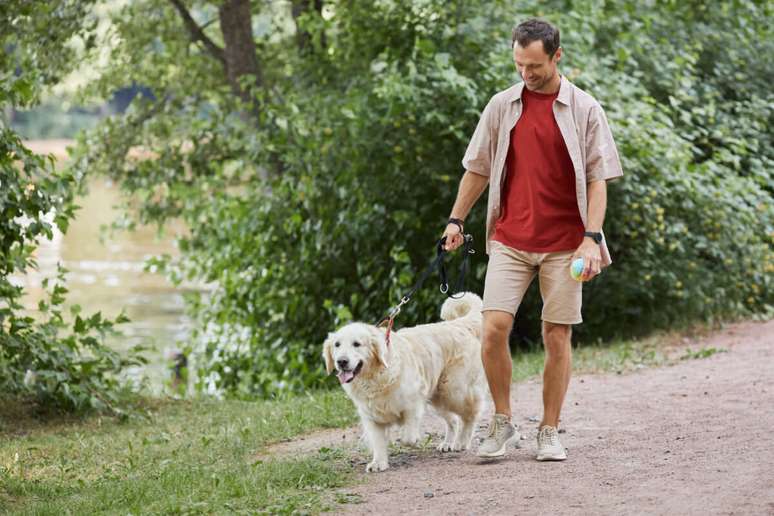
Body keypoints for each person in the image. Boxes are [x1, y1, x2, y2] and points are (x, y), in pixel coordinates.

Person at [442, 18, 623, 461]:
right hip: (510, 238)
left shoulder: (584, 109)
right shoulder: (502, 106)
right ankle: (503, 423)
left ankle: (549, 429)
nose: (527, 73)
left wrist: (590, 238)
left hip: (567, 243)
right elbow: (478, 167)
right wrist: (455, 219)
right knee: (492, 329)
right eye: (520, 64)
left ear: (557, 56)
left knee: (556, 335)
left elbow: (599, 180)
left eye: (536, 66)